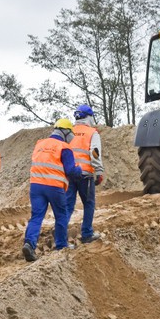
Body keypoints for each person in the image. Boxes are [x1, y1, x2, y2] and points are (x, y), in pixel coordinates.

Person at [22, 119, 82, 262]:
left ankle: (29, 244)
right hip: (54, 186)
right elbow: (70, 170)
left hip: (36, 185)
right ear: (66, 132)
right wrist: (79, 170)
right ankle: (61, 245)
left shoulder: (40, 144)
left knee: (36, 217)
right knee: (61, 215)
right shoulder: (64, 147)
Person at [65, 104, 105, 244]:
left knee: (68, 205)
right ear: (89, 117)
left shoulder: (68, 132)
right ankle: (87, 233)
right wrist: (99, 171)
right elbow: (94, 153)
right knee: (88, 204)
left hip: (69, 175)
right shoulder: (91, 133)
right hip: (85, 175)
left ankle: (61, 231)